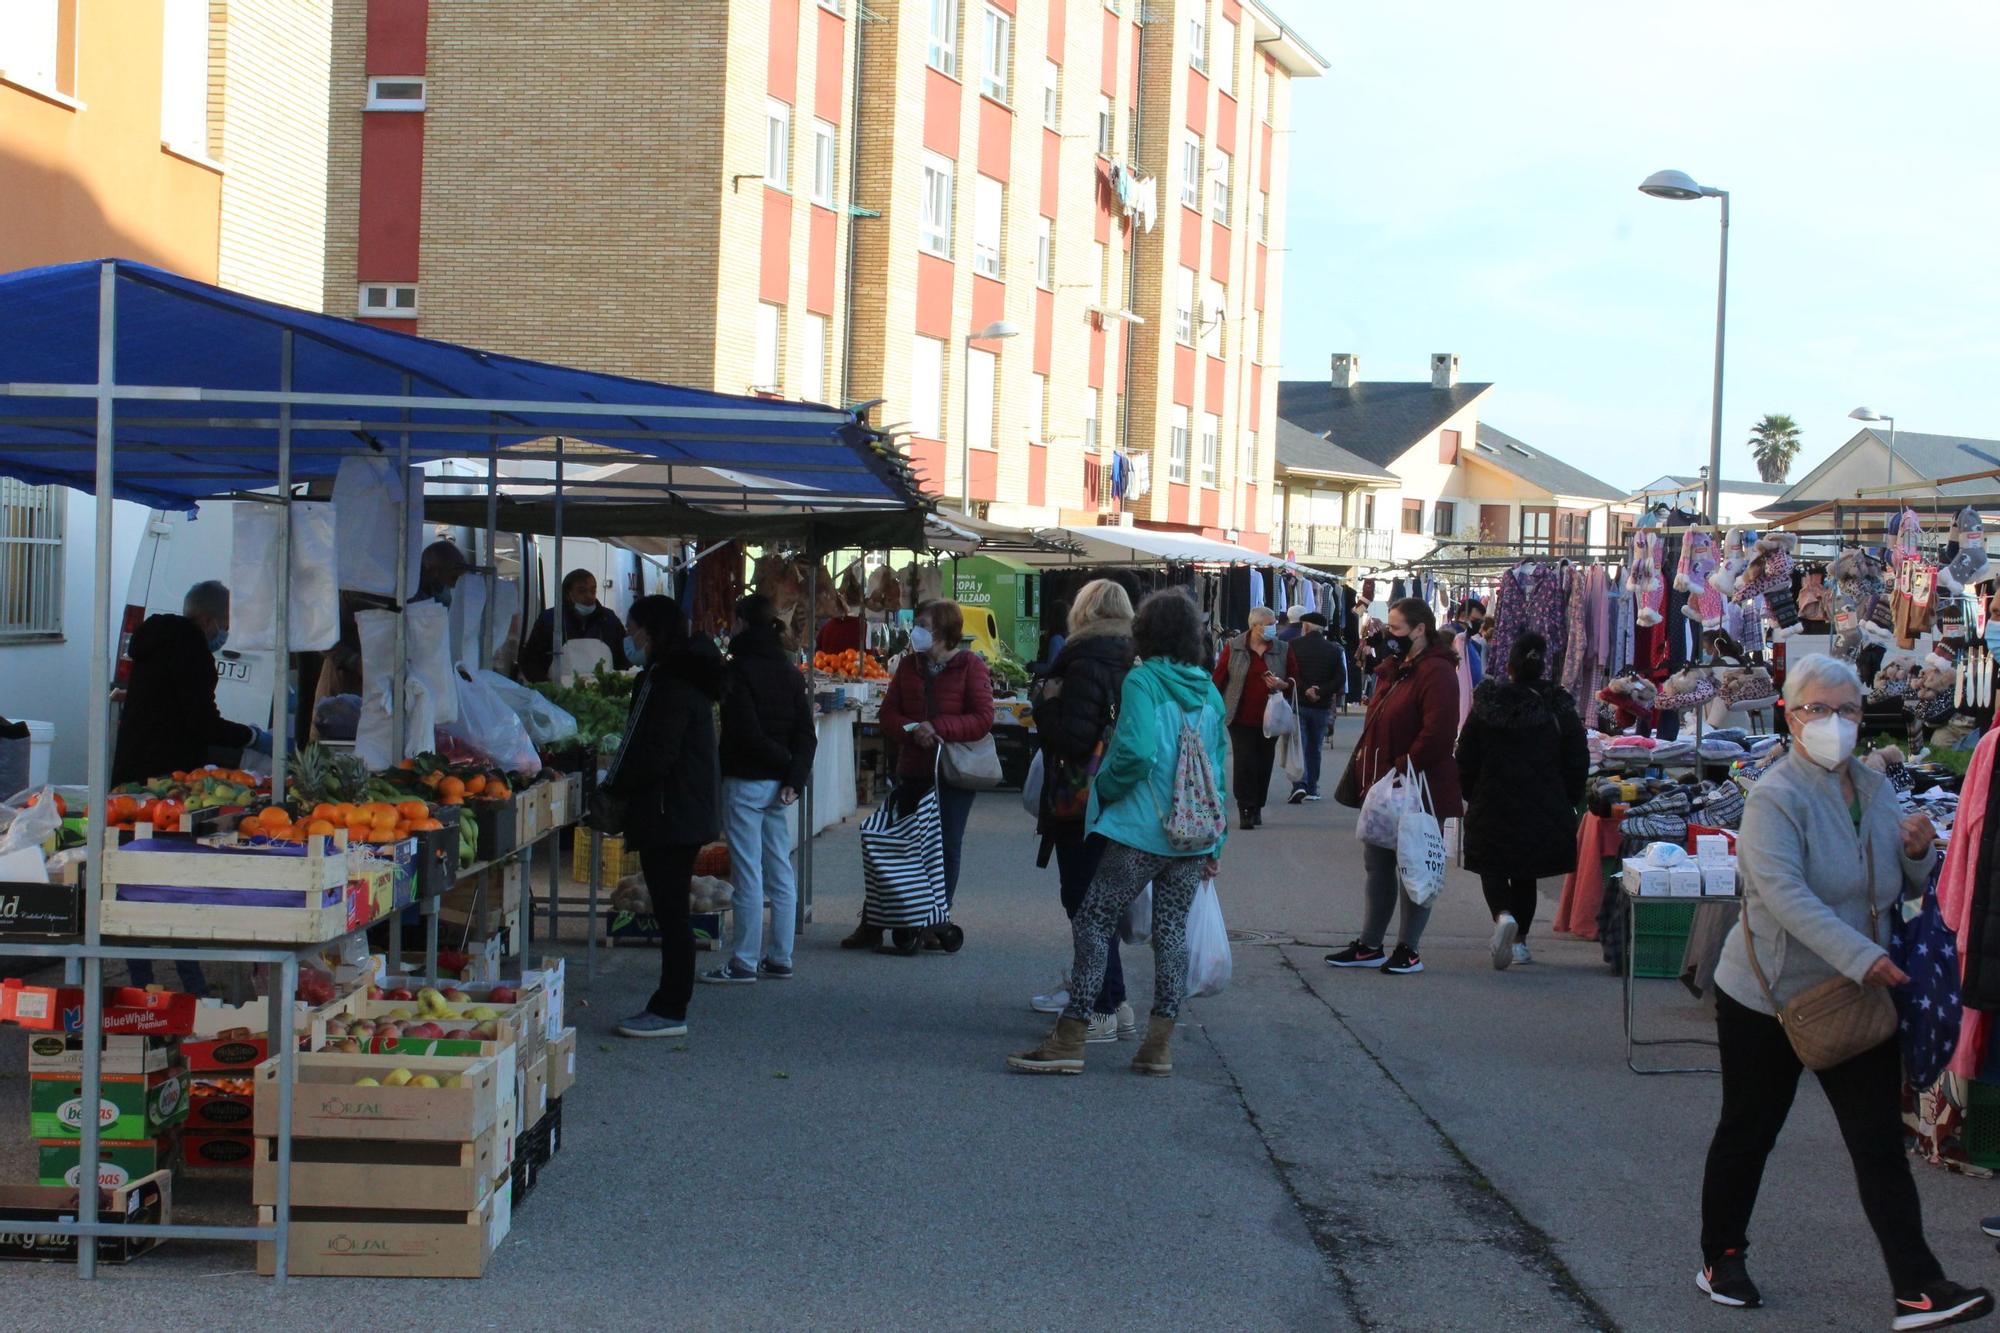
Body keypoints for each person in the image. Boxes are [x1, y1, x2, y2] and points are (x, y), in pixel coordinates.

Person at [1694, 655, 1991, 1326]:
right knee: (1751, 1127)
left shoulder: (1877, 784)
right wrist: (1866, 957)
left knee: (1878, 1139)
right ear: (1790, 717)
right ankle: (1721, 1255)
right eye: (1817, 710)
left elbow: (1898, 887)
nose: (1834, 723)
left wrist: (1918, 852)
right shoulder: (1773, 796)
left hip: (1855, 991)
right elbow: (1786, 897)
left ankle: (1918, 1285)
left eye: (1848, 709)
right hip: (1768, 994)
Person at [1009, 588, 1229, 1076]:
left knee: (1093, 920)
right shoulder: (1208, 690)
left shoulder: (1144, 681)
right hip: (1192, 834)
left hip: (1141, 829)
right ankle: (1158, 1045)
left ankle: (1074, 1034)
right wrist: (1217, 839)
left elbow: (1134, 753)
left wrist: (1104, 791)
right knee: (1170, 933)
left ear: (1145, 633)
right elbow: (1218, 769)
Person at [848, 600, 995, 952]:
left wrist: (938, 727)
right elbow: (888, 714)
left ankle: (934, 919)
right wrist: (912, 731)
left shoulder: (969, 666)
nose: (917, 630)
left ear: (944, 631)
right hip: (913, 766)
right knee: (893, 843)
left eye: (924, 624)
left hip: (951, 771)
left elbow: (982, 718)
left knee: (944, 846)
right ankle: (874, 920)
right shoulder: (909, 667)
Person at [1327, 597, 1463, 975]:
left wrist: (1405, 765)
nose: (1390, 634)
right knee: (1378, 865)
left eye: (1397, 628)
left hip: (1418, 787)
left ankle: (1409, 949)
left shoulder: (1436, 672)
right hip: (1385, 784)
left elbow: (1438, 731)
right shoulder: (1398, 669)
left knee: (1414, 864)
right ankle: (1370, 945)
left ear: (1420, 630)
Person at [1028, 579, 1136, 1042]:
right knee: (1102, 901)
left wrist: (1045, 706)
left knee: (1084, 901)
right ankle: (1117, 1000)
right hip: (1120, 796)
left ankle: (1100, 1007)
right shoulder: (1134, 660)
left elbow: (1071, 738)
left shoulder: (1082, 663)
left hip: (1080, 800)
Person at [610, 596, 723, 1039]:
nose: (627, 637)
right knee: (671, 908)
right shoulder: (677, 677)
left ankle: (670, 1007)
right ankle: (669, 1003)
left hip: (669, 811)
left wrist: (616, 785)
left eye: (631, 628)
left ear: (649, 632)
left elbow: (654, 752)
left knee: (672, 911)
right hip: (679, 809)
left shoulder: (669, 684)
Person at [1454, 630, 1587, 970]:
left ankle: (1502, 916)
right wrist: (1569, 797)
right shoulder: (1558, 705)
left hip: (1492, 798)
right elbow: (1577, 757)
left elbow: (1465, 753)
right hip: (1543, 802)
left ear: (1509, 666)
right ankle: (1521, 942)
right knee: (1526, 872)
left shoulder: (1488, 704)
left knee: (1492, 864)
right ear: (1543, 667)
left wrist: (1470, 791)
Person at [702, 594, 816, 985]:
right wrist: (792, 777)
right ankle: (780, 957)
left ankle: (744, 962)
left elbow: (745, 733)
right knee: (780, 870)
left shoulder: (738, 671)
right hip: (779, 788)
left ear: (742, 624)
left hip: (746, 781)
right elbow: (807, 735)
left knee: (748, 873)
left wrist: (783, 766)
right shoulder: (790, 672)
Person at [113, 581, 269, 786]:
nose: (225, 633)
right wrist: (252, 737)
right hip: (165, 775)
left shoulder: (156, 641)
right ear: (207, 621)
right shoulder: (193, 654)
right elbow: (203, 723)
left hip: (131, 765)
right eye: (225, 626)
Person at [1211, 606, 1297, 829]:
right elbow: (1219, 677)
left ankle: (1258, 804)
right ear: (1254, 626)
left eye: (1274, 623)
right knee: (1244, 761)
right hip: (1240, 716)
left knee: (1263, 762)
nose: (1273, 627)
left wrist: (1283, 684)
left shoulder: (1282, 648)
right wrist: (1210, 704)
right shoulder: (1235, 646)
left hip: (1272, 717)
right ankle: (1245, 807)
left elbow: (1295, 679)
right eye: (1268, 624)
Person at [520, 569, 628, 682]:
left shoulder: (609, 619)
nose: (589, 596)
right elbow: (530, 660)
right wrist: (546, 685)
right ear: (568, 594)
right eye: (582, 591)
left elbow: (623, 658)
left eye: (593, 590)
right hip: (560, 695)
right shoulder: (550, 619)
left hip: (603, 693)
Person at [1286, 611, 1346, 804]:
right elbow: (1340, 679)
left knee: (1299, 746)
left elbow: (1291, 673)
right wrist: (1319, 691)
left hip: (1299, 703)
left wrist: (1306, 690)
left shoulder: (1294, 646)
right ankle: (1312, 787)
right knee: (1315, 747)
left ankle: (1299, 785)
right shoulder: (1334, 649)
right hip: (1322, 705)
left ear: (1305, 627)